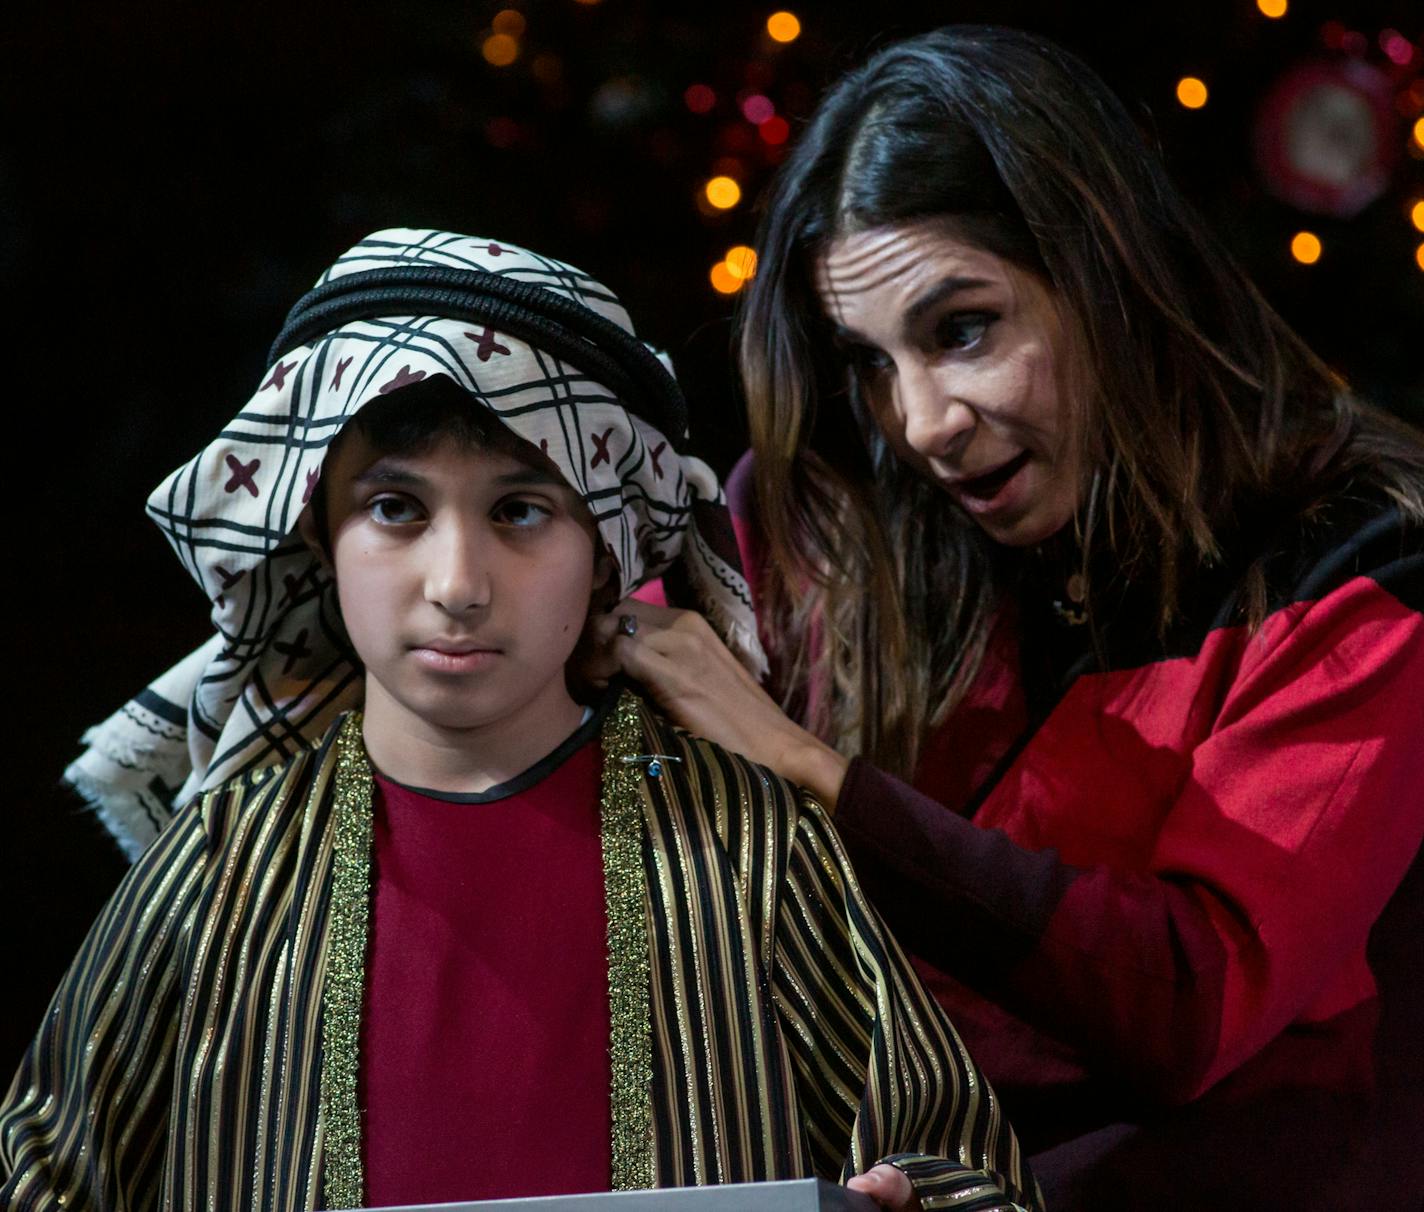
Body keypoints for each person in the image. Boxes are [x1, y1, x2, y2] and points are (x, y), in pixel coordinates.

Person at [0, 230, 1039, 1212]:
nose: (455, 585)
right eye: (396, 509)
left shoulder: (746, 850)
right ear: (317, 533)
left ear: (607, 548)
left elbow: (956, 1165)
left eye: (519, 512)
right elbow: (50, 1172)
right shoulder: (226, 863)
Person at [588, 27, 1424, 1210]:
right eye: (868, 363)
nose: (919, 420)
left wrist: (805, 769)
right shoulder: (833, 513)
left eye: (961, 329)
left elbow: (1187, 1000)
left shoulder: (1362, 551)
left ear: (1102, 270)